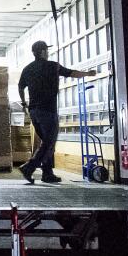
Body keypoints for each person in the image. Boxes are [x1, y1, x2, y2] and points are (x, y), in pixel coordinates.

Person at [18, 40, 97, 183]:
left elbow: (20, 86)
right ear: (42, 52)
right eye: (46, 50)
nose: (48, 52)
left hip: (34, 112)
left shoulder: (27, 69)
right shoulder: (52, 66)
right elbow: (71, 73)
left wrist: (24, 103)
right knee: (49, 143)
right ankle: (29, 167)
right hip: (47, 111)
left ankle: (47, 174)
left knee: (46, 143)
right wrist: (88, 73)